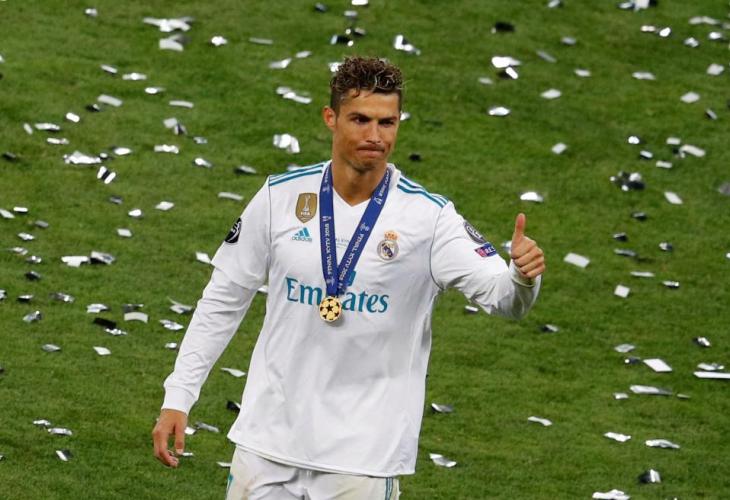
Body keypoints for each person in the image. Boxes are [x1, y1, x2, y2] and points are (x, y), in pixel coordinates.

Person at [152, 56, 545, 499]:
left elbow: (503, 300)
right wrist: (179, 396)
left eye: (387, 122)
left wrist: (521, 277)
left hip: (362, 460)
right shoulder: (281, 197)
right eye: (360, 120)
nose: (375, 136)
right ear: (331, 118)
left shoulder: (428, 219)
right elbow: (223, 299)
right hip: (267, 444)